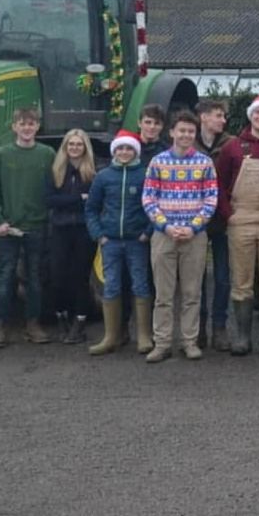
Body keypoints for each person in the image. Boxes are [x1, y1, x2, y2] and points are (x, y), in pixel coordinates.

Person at [142, 110, 219, 363]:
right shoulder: (158, 162)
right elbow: (149, 198)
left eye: (190, 131)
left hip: (193, 236)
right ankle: (162, 343)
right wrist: (165, 226)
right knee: (163, 295)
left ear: (195, 135)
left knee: (191, 293)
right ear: (172, 132)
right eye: (181, 130)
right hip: (164, 235)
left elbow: (211, 199)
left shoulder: (205, 163)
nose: (186, 135)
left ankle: (189, 341)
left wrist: (194, 227)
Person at [216, 93, 259, 357]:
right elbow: (218, 184)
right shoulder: (233, 147)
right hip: (240, 220)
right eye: (258, 113)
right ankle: (243, 337)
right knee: (242, 281)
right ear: (250, 115)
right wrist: (228, 214)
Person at [0, 107, 58, 348]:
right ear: (14, 127)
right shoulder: (1, 155)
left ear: (38, 126)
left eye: (31, 124)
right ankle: (1, 326)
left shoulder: (47, 154)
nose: (27, 128)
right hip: (8, 227)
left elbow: (53, 188)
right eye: (22, 124)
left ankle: (32, 324)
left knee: (34, 277)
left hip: (36, 226)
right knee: (6, 276)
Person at [85, 130, 152, 356]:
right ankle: (110, 336)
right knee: (111, 285)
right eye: (120, 148)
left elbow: (154, 206)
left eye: (129, 148)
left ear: (135, 151)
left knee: (140, 285)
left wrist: (148, 232)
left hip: (137, 241)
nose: (124, 152)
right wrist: (99, 235)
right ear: (115, 151)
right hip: (110, 241)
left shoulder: (144, 175)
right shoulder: (104, 176)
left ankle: (143, 335)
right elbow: (91, 209)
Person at [47, 129, 98, 345]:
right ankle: (61, 318)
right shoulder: (56, 171)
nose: (75, 148)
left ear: (85, 148)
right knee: (58, 277)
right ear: (65, 147)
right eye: (71, 144)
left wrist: (66, 199)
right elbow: (50, 200)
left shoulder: (93, 173)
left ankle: (79, 323)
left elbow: (94, 202)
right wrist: (78, 198)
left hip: (84, 230)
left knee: (80, 277)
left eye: (79, 144)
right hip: (60, 229)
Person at [195, 98, 233, 351]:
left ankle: (220, 328)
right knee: (195, 278)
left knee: (223, 277)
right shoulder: (189, 143)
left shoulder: (230, 145)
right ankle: (198, 329)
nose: (223, 120)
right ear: (204, 118)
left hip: (222, 219)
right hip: (195, 219)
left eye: (223, 116)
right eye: (218, 115)